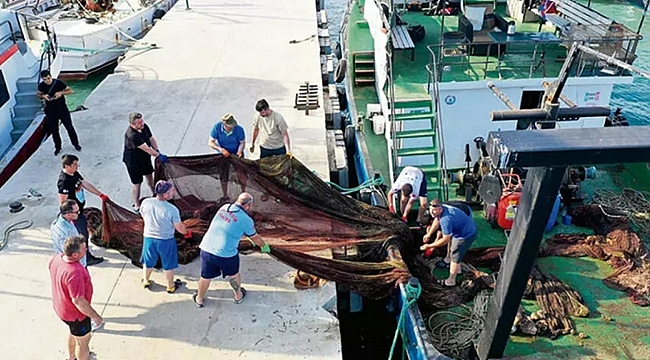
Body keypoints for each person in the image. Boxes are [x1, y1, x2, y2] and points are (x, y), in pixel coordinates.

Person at [193, 192, 270, 308]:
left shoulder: (225, 207)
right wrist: (263, 246)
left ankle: (199, 299)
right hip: (226, 254)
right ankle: (238, 296)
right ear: (248, 205)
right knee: (233, 275)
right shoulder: (246, 220)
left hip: (207, 249)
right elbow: (255, 237)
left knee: (205, 276)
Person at [49, 235, 102, 360]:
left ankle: (71, 357)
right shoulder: (75, 272)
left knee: (74, 334)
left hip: (62, 309)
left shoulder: (56, 259)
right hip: (77, 316)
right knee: (83, 343)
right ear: (75, 255)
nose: (86, 250)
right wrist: (95, 316)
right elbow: (78, 301)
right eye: (84, 249)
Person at [139, 180, 191, 293]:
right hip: (166, 240)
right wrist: (186, 233)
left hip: (148, 238)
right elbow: (179, 227)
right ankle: (170, 286)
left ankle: (146, 280)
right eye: (171, 191)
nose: (173, 192)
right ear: (165, 195)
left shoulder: (146, 202)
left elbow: (143, 215)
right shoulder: (172, 210)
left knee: (148, 261)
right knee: (168, 264)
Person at [58, 154, 107, 266]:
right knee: (82, 235)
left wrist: (100, 195)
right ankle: (87, 257)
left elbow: (84, 183)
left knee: (84, 231)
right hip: (74, 215)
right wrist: (69, 217)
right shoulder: (64, 181)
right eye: (74, 164)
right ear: (67, 166)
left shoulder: (74, 174)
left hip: (79, 210)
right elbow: (63, 202)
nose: (77, 166)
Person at [420, 199, 477, 287]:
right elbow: (436, 220)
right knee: (453, 246)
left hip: (466, 235)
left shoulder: (446, 220)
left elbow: (445, 239)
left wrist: (429, 246)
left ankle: (451, 281)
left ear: (440, 209)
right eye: (430, 210)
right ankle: (457, 269)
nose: (432, 212)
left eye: (434, 210)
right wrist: (429, 234)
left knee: (455, 254)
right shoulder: (443, 209)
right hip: (461, 230)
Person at [122, 112, 168, 213]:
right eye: (139, 123)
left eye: (142, 121)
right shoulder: (132, 135)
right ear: (132, 124)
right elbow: (146, 148)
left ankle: (155, 195)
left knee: (149, 177)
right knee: (137, 183)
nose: (142, 124)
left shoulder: (144, 127)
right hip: (133, 162)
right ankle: (137, 205)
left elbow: (151, 139)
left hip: (144, 158)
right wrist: (158, 155)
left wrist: (157, 150)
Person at [37, 70, 80, 156]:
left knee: (69, 127)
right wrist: (43, 96)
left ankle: (76, 144)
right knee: (54, 130)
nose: (47, 81)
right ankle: (58, 147)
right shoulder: (41, 86)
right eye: (45, 79)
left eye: (48, 78)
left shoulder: (59, 83)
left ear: (51, 76)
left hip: (62, 109)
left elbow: (70, 91)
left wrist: (61, 93)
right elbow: (38, 94)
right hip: (50, 110)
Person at [209, 113, 247, 199]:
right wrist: (221, 149)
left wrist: (239, 151)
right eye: (229, 126)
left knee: (241, 174)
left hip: (236, 153)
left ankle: (243, 192)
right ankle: (225, 195)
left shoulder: (239, 129)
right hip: (223, 154)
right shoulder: (217, 128)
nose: (231, 128)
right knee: (223, 175)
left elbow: (242, 143)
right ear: (224, 125)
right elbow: (211, 142)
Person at [51, 200, 86, 267]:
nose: (79, 213)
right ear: (68, 214)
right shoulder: (62, 231)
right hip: (76, 265)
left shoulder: (66, 220)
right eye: (76, 212)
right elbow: (68, 252)